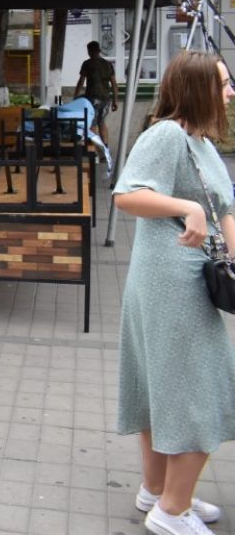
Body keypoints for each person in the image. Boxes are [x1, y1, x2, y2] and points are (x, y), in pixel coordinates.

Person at [113, 50, 235, 535]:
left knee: (164, 387)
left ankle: (159, 490)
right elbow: (127, 194)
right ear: (198, 89)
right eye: (223, 83)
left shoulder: (201, 141)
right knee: (199, 392)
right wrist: (187, 207)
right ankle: (171, 511)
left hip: (189, 277)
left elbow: (224, 208)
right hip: (171, 280)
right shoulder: (166, 134)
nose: (230, 92)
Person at [74, 40, 119, 144]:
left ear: (90, 51)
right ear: (99, 50)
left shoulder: (87, 64)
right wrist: (115, 101)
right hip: (105, 99)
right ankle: (105, 147)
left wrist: (75, 97)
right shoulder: (107, 64)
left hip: (92, 98)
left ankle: (94, 149)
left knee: (92, 124)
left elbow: (81, 82)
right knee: (102, 122)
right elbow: (114, 84)